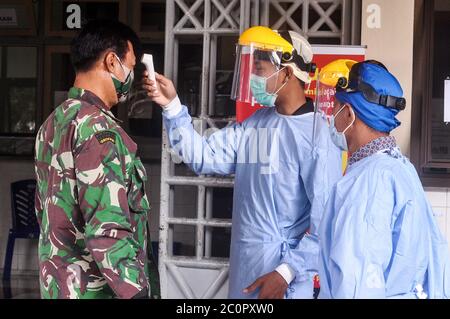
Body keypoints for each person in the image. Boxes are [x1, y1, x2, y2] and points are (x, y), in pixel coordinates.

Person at [143, 26, 342, 299]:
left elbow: (327, 224)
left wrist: (286, 272)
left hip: (283, 280)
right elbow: (202, 156)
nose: (253, 78)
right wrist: (172, 107)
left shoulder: (317, 137)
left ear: (286, 72)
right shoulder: (257, 124)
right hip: (246, 267)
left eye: (260, 70)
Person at [34, 20, 159, 299]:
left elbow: (45, 212)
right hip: (96, 290)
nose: (131, 76)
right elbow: (108, 227)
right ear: (112, 62)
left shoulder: (52, 123)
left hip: (58, 286)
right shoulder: (99, 129)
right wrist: (135, 292)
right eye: (131, 65)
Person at [317, 60, 450, 298]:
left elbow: (356, 286)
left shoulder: (368, 184)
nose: (330, 117)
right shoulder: (400, 168)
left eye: (334, 108)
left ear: (348, 113)